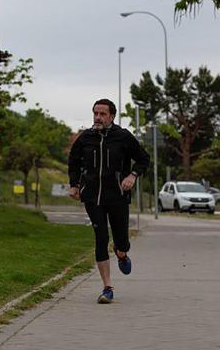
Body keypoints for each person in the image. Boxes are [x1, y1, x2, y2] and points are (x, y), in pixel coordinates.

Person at [68, 98, 150, 304]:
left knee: (121, 240)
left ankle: (122, 254)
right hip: (92, 196)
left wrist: (132, 176)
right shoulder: (85, 138)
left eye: (102, 114)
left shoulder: (122, 137)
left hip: (117, 196)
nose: (98, 117)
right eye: (95, 113)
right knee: (101, 238)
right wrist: (74, 184)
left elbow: (143, 159)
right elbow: (74, 161)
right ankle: (107, 288)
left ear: (112, 116)